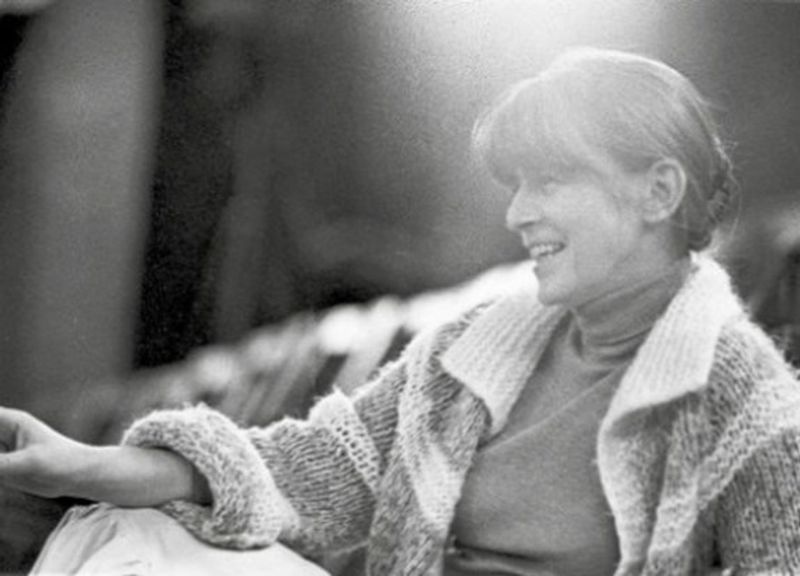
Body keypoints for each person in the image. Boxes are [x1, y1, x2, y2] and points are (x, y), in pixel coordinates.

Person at [2, 47, 800, 576]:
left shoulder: (746, 402)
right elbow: (309, 469)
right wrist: (80, 465)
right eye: (516, 185)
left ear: (658, 192)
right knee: (127, 529)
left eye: (551, 182)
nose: (518, 213)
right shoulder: (474, 348)